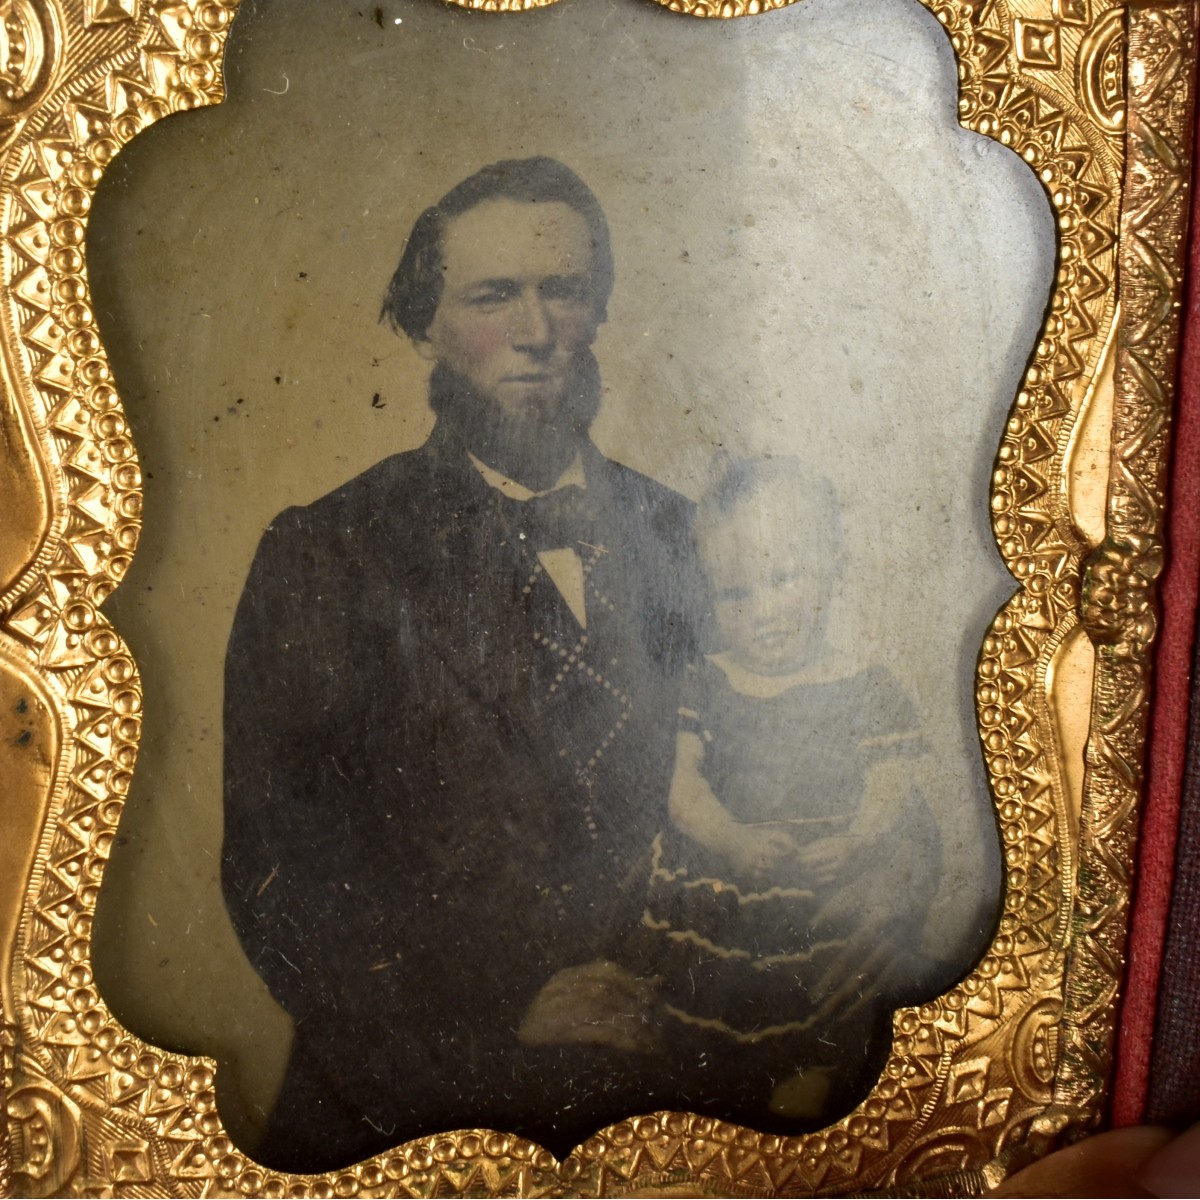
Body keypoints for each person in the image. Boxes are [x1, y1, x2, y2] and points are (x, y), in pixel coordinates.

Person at [221, 158, 699, 1169]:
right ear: (424, 324)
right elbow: (273, 873)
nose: (534, 333)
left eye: (563, 292)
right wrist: (498, 1014)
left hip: (674, 1110)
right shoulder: (326, 552)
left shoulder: (692, 538)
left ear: (598, 312)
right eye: (493, 296)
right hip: (405, 1116)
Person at [635, 457, 945, 1130]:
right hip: (723, 882)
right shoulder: (704, 680)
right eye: (735, 594)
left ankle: (810, 1081)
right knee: (698, 1027)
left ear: (835, 566)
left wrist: (859, 839)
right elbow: (681, 788)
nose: (764, 612)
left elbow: (891, 785)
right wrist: (733, 840)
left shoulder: (866, 683)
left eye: (785, 579)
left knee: (826, 1000)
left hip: (820, 878)